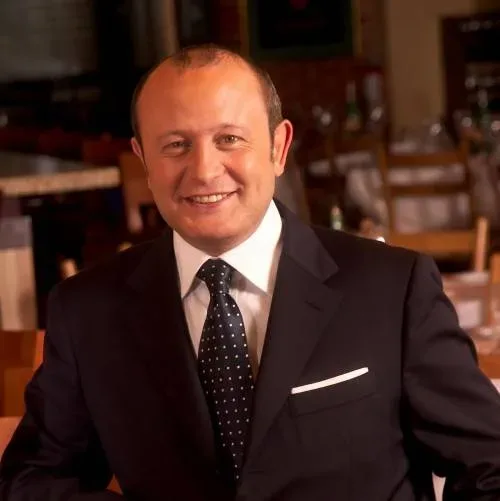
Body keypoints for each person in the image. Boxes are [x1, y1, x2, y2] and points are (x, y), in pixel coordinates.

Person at [1, 45, 500, 501]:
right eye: (175, 145)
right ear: (143, 160)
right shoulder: (87, 311)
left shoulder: (392, 288)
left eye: (229, 139)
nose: (204, 170)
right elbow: (29, 481)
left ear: (279, 148)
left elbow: (490, 470)